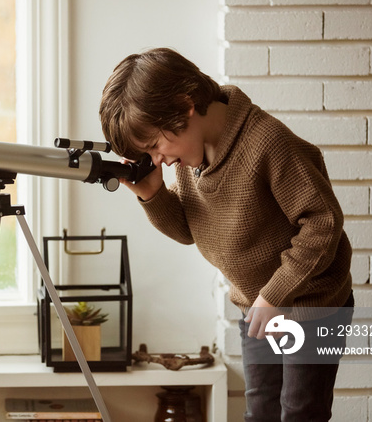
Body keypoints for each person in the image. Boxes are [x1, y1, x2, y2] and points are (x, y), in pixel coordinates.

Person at [99, 47, 353, 422]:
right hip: (258, 305)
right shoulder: (193, 157)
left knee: (301, 412)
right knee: (260, 411)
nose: (159, 160)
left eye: (154, 146)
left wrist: (274, 294)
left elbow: (323, 222)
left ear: (185, 106)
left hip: (310, 305)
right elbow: (190, 229)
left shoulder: (267, 142)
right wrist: (153, 194)